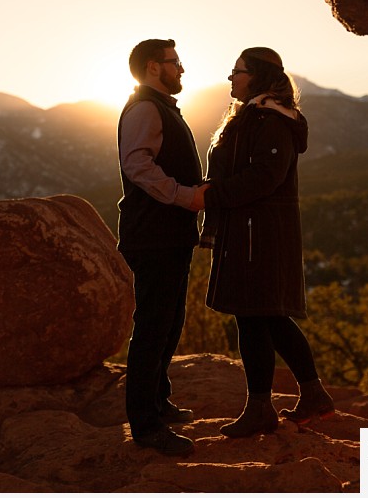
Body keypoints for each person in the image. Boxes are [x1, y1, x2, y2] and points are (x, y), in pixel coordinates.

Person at [200, 47, 334, 438]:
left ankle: (263, 408)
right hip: (250, 231)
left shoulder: (271, 121)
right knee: (266, 316)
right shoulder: (256, 116)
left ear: (256, 75)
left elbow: (265, 178)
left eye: (236, 71)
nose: (231, 78)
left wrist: (212, 196)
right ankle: (310, 396)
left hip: (259, 233)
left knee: (257, 316)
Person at [117, 38, 208, 456]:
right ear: (155, 67)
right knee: (153, 325)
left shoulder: (160, 106)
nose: (182, 69)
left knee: (169, 321)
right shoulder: (145, 108)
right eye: (175, 62)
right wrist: (186, 196)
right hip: (152, 235)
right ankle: (146, 425)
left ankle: (158, 400)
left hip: (168, 233)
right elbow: (138, 166)